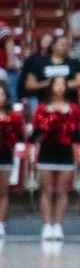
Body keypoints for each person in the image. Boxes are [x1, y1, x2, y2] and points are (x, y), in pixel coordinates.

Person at [32, 75, 80, 242]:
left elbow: (78, 132)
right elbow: (35, 131)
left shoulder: (73, 109)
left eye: (63, 84)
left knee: (62, 191)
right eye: (57, 84)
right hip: (47, 152)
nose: (61, 87)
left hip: (65, 153)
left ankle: (58, 225)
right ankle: (47, 225)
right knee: (46, 191)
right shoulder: (42, 108)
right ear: (51, 87)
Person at [22, 33, 78, 113]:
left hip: (68, 100)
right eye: (62, 44)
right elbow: (29, 84)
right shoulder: (37, 62)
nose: (65, 47)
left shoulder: (72, 62)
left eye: (67, 45)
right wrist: (47, 84)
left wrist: (60, 85)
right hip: (43, 100)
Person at [0, 88, 21, 239]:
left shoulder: (13, 116)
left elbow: (19, 134)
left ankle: (1, 223)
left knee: (3, 191)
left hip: (6, 155)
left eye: (1, 93)